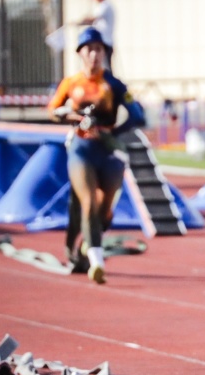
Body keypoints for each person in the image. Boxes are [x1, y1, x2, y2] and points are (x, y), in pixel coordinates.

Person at [47, 27, 145, 284]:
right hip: (81, 150)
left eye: (98, 49)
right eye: (89, 49)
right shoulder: (71, 83)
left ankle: (89, 243)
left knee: (104, 210)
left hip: (109, 151)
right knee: (88, 202)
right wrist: (74, 118)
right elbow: (53, 110)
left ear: (104, 53)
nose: (94, 54)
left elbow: (137, 114)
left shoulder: (114, 84)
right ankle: (97, 263)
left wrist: (111, 131)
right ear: (80, 53)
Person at [79, 0, 115, 71]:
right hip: (105, 41)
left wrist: (81, 21)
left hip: (105, 41)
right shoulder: (105, 6)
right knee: (103, 67)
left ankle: (108, 83)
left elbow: (93, 18)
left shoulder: (105, 6)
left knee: (104, 68)